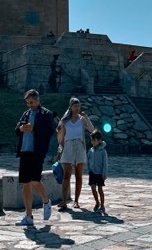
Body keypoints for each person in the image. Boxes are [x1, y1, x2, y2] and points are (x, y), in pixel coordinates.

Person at [15, 89, 56, 226]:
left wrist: (34, 129)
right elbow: (17, 129)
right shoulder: (26, 114)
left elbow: (50, 131)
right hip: (24, 150)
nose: (30, 105)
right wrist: (21, 129)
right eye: (27, 103)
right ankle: (29, 216)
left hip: (37, 152)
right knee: (25, 183)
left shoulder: (46, 114)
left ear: (38, 100)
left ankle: (46, 201)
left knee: (35, 180)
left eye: (31, 102)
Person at [57, 96, 94, 210]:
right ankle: (64, 200)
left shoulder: (82, 119)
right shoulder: (65, 121)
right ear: (71, 107)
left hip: (79, 146)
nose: (77, 108)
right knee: (66, 176)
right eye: (75, 106)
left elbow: (92, 130)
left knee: (79, 175)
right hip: (68, 147)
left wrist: (86, 117)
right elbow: (60, 137)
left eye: (78, 106)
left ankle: (76, 200)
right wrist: (60, 150)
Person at [87, 130, 108, 214]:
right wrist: (89, 170)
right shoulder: (90, 151)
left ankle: (102, 205)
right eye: (92, 140)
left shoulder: (103, 151)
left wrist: (104, 173)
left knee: (100, 189)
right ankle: (97, 202)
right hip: (92, 172)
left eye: (94, 140)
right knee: (93, 188)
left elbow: (105, 163)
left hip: (100, 173)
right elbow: (88, 160)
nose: (93, 142)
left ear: (99, 140)